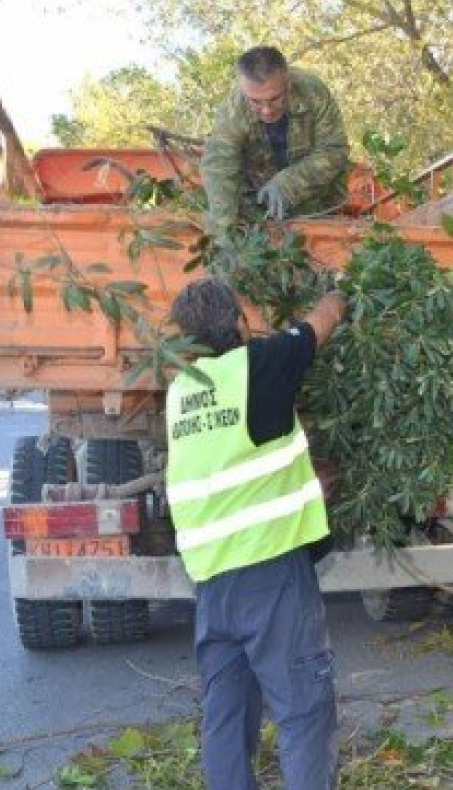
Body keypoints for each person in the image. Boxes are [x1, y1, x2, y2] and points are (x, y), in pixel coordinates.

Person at [164, 277, 347, 790]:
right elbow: (319, 326)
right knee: (303, 713)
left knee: (225, 717)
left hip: (212, 586)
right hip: (270, 576)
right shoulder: (257, 366)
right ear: (239, 323)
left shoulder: (181, 392)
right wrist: (340, 294)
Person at [201, 46, 350, 240]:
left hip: (319, 199)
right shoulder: (233, 110)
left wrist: (290, 182)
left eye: (275, 99)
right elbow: (219, 169)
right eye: (255, 101)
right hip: (261, 202)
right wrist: (223, 236)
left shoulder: (312, 91)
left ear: (287, 81)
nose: (267, 110)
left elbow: (335, 149)